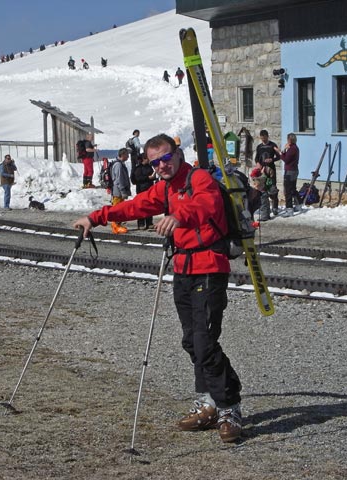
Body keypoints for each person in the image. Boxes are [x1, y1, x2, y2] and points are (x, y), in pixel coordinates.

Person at [73, 134, 243, 443]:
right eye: (154, 162)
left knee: (205, 342)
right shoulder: (164, 189)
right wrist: (94, 218)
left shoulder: (199, 178)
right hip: (183, 269)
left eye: (165, 158)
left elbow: (206, 205)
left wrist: (178, 216)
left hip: (209, 268)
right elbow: (133, 207)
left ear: (177, 154)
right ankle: (208, 402)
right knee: (192, 342)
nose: (161, 165)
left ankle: (229, 406)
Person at [254, 129, 281, 216]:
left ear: (267, 136)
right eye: (262, 139)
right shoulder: (259, 147)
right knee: (263, 189)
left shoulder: (272, 145)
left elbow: (279, 156)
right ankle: (266, 208)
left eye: (264, 138)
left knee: (272, 188)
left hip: (271, 171)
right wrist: (257, 163)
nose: (263, 140)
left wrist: (272, 159)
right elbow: (257, 158)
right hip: (262, 171)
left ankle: (275, 207)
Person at [275, 133, 300, 216]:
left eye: (287, 139)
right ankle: (298, 204)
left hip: (290, 171)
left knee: (288, 191)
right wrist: (285, 149)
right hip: (294, 170)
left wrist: (279, 152)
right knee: (293, 189)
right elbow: (286, 156)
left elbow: (286, 159)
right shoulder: (294, 148)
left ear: (290, 140)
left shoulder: (292, 149)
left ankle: (289, 209)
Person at [130, 153, 156, 229]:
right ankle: (141, 223)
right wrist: (148, 177)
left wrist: (153, 177)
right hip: (141, 189)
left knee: (149, 206)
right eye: (147, 159)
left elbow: (152, 176)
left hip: (149, 188)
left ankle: (149, 222)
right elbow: (138, 179)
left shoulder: (149, 167)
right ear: (143, 159)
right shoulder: (138, 168)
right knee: (141, 206)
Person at [110, 148, 131, 234]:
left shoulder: (120, 164)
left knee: (120, 208)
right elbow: (119, 180)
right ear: (122, 155)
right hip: (118, 191)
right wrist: (123, 191)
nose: (128, 156)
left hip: (118, 191)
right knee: (117, 208)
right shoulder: (118, 165)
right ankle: (115, 226)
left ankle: (118, 224)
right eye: (127, 154)